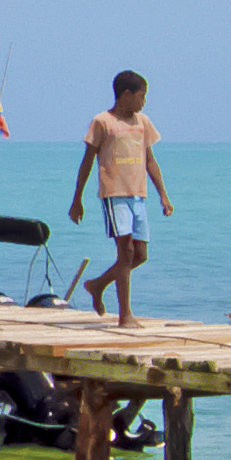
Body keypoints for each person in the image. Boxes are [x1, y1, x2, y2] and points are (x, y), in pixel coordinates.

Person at [67, 69, 173, 324]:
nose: (144, 101)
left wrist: (163, 195)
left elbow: (150, 161)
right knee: (124, 252)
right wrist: (77, 199)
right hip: (114, 194)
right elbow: (87, 162)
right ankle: (125, 314)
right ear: (126, 95)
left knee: (140, 255)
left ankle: (98, 284)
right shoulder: (103, 122)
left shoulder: (143, 122)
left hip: (139, 195)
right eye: (141, 96)